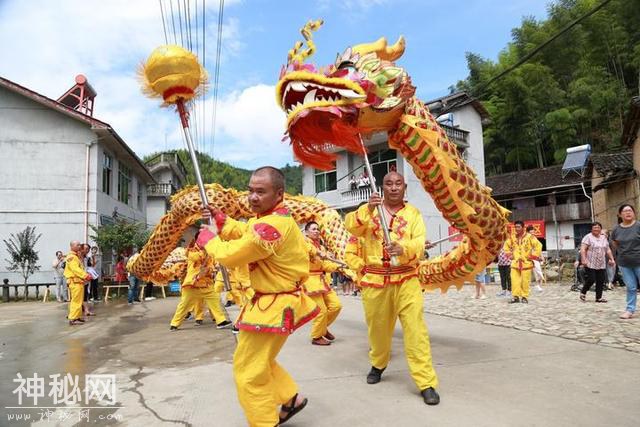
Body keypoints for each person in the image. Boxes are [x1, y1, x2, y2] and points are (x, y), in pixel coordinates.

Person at [198, 166, 318, 426]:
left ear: (279, 194)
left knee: (248, 372)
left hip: (273, 305)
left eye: (260, 192)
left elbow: (234, 254)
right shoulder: (268, 219)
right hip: (270, 302)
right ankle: (290, 399)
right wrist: (222, 221)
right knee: (259, 359)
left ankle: (265, 422)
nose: (253, 197)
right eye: (250, 191)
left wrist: (209, 239)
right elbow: (246, 233)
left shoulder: (272, 225)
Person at [344, 171, 440, 406]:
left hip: (406, 279)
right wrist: (367, 209)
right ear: (382, 188)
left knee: (416, 330)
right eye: (389, 183)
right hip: (376, 282)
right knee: (377, 330)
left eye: (398, 183)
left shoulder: (413, 213)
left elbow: (419, 241)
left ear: (404, 187)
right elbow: (351, 229)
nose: (394, 187)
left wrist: (404, 247)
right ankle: (378, 364)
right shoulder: (369, 212)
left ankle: (426, 382)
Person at [169, 232, 232, 331]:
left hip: (206, 284)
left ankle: (221, 321)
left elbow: (213, 263)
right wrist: (206, 251)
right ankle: (174, 324)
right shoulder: (190, 251)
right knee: (184, 305)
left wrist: (213, 267)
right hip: (192, 284)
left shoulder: (209, 251)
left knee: (215, 301)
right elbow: (197, 257)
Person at [303, 221, 342, 346]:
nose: (316, 231)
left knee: (336, 306)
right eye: (313, 229)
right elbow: (306, 250)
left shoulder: (321, 247)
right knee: (321, 311)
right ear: (307, 232)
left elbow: (325, 265)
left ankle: (322, 329)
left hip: (321, 280)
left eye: (317, 229)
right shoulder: (304, 244)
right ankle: (317, 336)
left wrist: (338, 267)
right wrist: (317, 252)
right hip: (310, 281)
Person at [610, 204, 640, 319]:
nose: (628, 213)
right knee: (631, 287)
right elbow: (615, 243)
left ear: (634, 213)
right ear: (620, 214)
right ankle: (629, 310)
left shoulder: (638, 226)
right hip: (624, 263)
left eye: (630, 210)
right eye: (625, 211)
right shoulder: (616, 229)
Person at [503, 220, 542, 304]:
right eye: (515, 227)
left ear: (523, 227)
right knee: (514, 280)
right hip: (515, 263)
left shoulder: (530, 237)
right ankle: (515, 296)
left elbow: (538, 246)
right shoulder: (512, 237)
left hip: (526, 263)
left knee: (525, 281)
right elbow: (506, 246)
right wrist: (510, 255)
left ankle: (524, 297)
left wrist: (532, 256)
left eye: (518, 227)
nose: (517, 229)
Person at [579, 222, 615, 303]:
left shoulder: (604, 238)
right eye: (594, 227)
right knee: (591, 279)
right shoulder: (587, 237)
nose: (596, 229)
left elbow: (608, 249)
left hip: (601, 262)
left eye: (598, 227)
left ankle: (598, 298)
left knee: (600, 280)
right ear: (591, 229)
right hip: (590, 262)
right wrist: (583, 259)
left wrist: (612, 259)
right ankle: (583, 292)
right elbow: (583, 249)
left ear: (600, 229)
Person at [64, 241, 91, 325]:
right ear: (72, 246)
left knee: (79, 301)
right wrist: (85, 275)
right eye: (77, 245)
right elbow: (75, 269)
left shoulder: (76, 256)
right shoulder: (71, 257)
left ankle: (77, 316)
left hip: (79, 282)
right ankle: (72, 318)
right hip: (75, 282)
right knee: (76, 301)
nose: (80, 246)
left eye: (80, 245)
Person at [526, 225, 545, 292]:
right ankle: (526, 287)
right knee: (527, 273)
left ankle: (539, 286)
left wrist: (542, 256)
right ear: (528, 233)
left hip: (535, 258)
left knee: (538, 271)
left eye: (533, 232)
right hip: (528, 258)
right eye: (531, 232)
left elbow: (539, 249)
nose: (533, 233)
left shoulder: (535, 239)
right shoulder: (526, 239)